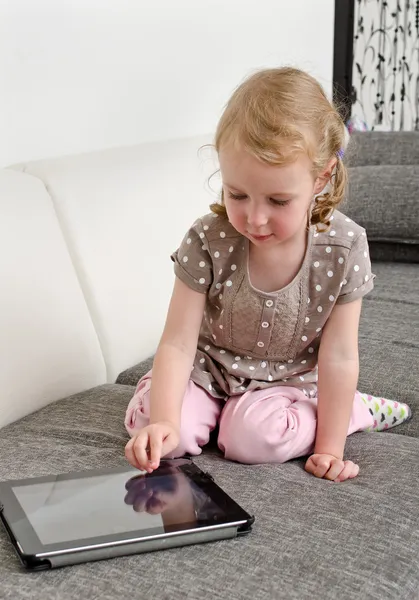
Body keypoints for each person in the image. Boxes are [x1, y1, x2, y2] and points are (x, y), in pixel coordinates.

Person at [124, 67, 411, 483]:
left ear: (321, 177)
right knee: (164, 432)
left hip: (286, 383)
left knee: (253, 441)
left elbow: (339, 355)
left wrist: (330, 448)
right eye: (237, 194)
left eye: (278, 200)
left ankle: (353, 410)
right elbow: (177, 342)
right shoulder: (208, 238)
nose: (254, 218)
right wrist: (164, 421)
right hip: (208, 372)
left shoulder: (345, 248)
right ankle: (194, 413)